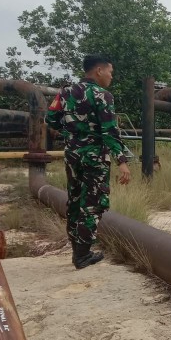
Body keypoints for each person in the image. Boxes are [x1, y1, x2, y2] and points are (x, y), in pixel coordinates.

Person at [46, 54, 132, 269]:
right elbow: (109, 131)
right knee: (93, 204)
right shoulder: (103, 95)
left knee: (75, 201)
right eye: (110, 72)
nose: (111, 76)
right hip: (94, 158)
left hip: (72, 155)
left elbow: (51, 119)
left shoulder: (65, 92)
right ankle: (83, 256)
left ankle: (77, 251)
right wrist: (122, 161)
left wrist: (73, 134)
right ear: (99, 71)